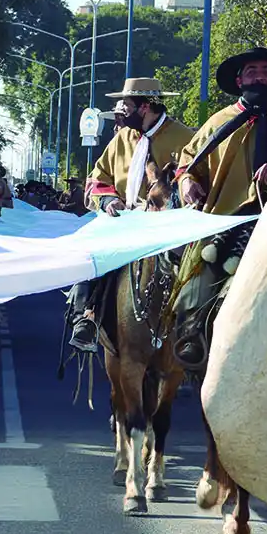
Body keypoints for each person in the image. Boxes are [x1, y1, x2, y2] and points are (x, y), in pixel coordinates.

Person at [171, 47, 267, 366]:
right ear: (239, 80)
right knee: (196, 286)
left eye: (266, 71)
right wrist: (187, 183)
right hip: (222, 224)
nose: (259, 76)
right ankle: (193, 333)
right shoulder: (218, 121)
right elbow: (188, 162)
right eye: (252, 71)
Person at [66, 78, 197, 349]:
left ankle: (198, 332)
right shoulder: (122, 138)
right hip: (123, 220)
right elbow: (97, 180)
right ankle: (85, 316)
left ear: (145, 106)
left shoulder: (185, 138)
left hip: (170, 226)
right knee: (88, 251)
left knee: (203, 265)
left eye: (125, 104)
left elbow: (199, 178)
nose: (121, 109)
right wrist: (108, 201)